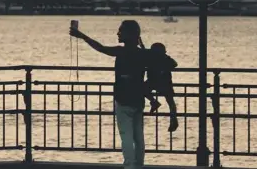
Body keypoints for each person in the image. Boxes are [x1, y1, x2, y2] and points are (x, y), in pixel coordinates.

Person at [69, 20, 176, 169]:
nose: (118, 33)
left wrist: (82, 36)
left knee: (126, 135)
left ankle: (129, 165)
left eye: (121, 31)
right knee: (138, 137)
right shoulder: (143, 53)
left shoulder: (121, 51)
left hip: (123, 99)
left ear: (129, 35)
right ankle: (138, 165)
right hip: (138, 100)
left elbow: (100, 48)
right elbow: (168, 63)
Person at [142, 42, 179, 132]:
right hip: (161, 82)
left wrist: (164, 68)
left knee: (143, 89)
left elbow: (174, 64)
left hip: (160, 82)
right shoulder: (161, 57)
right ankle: (173, 119)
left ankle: (173, 119)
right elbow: (174, 64)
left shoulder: (155, 57)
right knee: (170, 102)